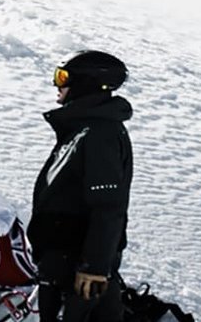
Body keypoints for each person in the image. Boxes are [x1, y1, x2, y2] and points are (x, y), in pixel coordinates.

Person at [30, 50, 133, 321]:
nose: (57, 84)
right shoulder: (82, 131)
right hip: (62, 264)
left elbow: (108, 206)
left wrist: (94, 266)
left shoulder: (100, 134)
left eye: (63, 76)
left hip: (79, 270)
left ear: (86, 83)